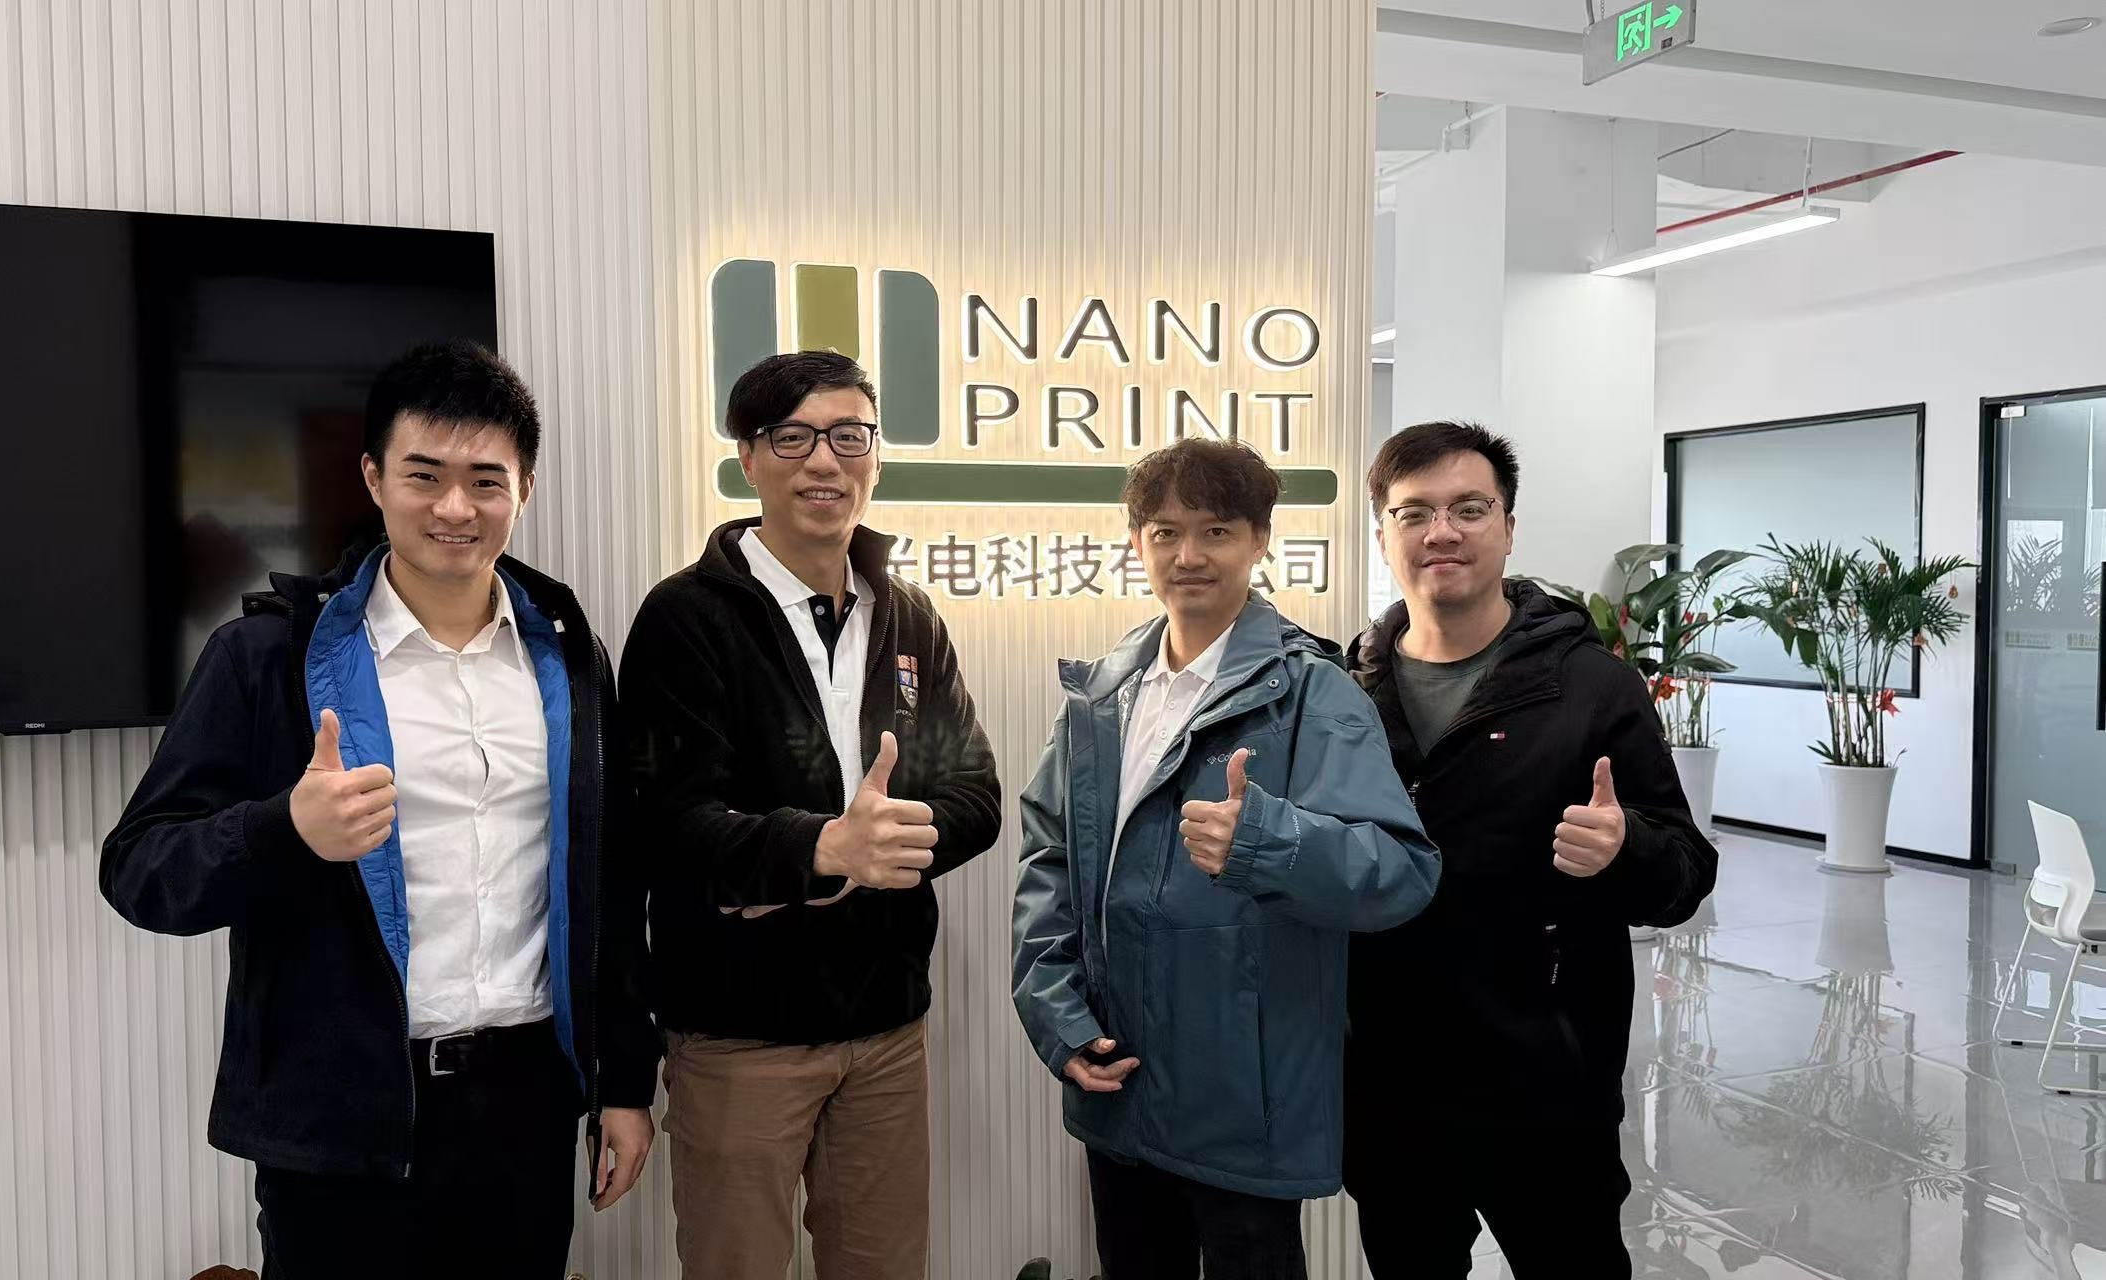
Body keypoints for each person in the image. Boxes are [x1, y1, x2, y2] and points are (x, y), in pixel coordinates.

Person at [101, 341, 657, 1278]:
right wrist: (285, 828)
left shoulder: (567, 658)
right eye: (424, 476)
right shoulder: (268, 656)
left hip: (525, 1109)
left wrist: (624, 1082)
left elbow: (610, 880)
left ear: (525, 488)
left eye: (486, 480)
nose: (455, 508)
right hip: (342, 1125)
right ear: (373, 478)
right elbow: (140, 869)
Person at [1012, 439, 1441, 1280]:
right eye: (1165, 533)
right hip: (1120, 1077)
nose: (1189, 556)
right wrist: (1060, 1021)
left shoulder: (1312, 691)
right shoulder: (1104, 696)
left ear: (1259, 541)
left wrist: (1266, 843)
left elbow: (1401, 870)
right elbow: (1050, 862)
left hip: (1247, 1100)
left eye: (1216, 531)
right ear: (1136, 543)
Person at [620, 350, 1003, 1280]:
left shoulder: (908, 616)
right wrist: (827, 848)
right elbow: (670, 824)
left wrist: (885, 844)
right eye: (792, 437)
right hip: (739, 1032)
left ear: (876, 456)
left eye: (849, 436)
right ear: (748, 459)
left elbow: (977, 796)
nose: (825, 461)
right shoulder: (685, 617)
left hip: (886, 1028)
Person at [1342, 420, 1719, 1278]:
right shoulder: (1346, 691)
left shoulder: (1591, 686)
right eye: (1414, 513)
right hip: (1392, 1084)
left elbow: (1686, 872)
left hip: (1545, 1084)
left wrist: (1625, 849)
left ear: (1508, 527)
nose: (1442, 532)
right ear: (1383, 536)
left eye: (1469, 508)